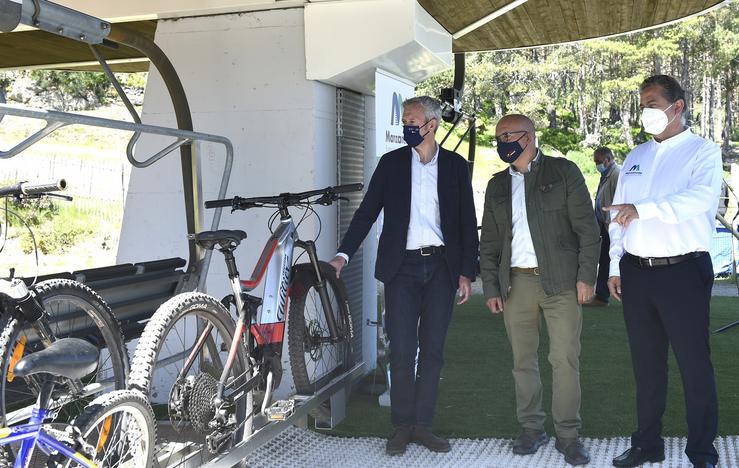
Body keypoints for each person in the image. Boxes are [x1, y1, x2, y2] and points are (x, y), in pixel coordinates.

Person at [328, 96, 478, 456]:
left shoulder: (456, 166)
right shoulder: (391, 164)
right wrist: (342, 255)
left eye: (413, 121)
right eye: (404, 122)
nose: (407, 127)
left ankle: (423, 426)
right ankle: (401, 426)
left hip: (442, 268)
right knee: (402, 349)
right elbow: (366, 213)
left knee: (433, 350)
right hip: (401, 269)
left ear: (432, 124)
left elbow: (467, 223)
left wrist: (466, 273)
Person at [605, 75, 721, 468]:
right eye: (643, 104)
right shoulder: (635, 155)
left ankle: (702, 451)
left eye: (652, 103)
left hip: (683, 272)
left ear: (678, 106)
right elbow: (617, 214)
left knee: (694, 365)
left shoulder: (703, 152)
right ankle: (647, 444)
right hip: (636, 273)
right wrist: (616, 264)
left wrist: (645, 209)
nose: (646, 112)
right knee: (646, 364)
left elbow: (699, 198)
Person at [479, 114, 600, 466]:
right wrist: (490, 286)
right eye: (498, 136)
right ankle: (531, 428)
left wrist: (586, 277)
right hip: (516, 284)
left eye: (509, 135)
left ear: (530, 137)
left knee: (564, 359)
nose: (503, 141)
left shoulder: (563, 172)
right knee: (522, 361)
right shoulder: (497, 185)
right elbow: (488, 242)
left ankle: (568, 435)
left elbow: (588, 230)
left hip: (561, 282)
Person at [584, 147, 621, 307]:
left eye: (598, 161)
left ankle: (602, 296)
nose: (596, 165)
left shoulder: (616, 174)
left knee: (607, 260)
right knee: (603, 259)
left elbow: (619, 200)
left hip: (612, 226)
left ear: (607, 159)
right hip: (603, 225)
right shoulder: (606, 175)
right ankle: (601, 294)